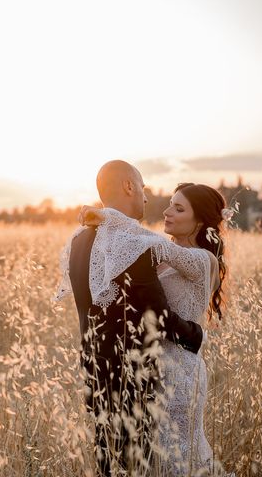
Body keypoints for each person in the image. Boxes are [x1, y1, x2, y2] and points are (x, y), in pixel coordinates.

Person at [55, 160, 205, 476]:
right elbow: (156, 315)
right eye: (142, 187)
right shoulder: (130, 243)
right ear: (128, 186)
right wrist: (195, 335)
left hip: (96, 375)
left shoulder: (79, 240)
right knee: (138, 467)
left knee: (111, 466)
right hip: (131, 381)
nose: (146, 198)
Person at [79, 182, 233, 476]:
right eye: (170, 204)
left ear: (199, 220)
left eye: (178, 208)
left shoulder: (204, 261)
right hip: (151, 370)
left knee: (176, 459)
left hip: (180, 372)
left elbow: (149, 242)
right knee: (156, 461)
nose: (167, 211)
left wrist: (108, 215)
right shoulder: (165, 257)